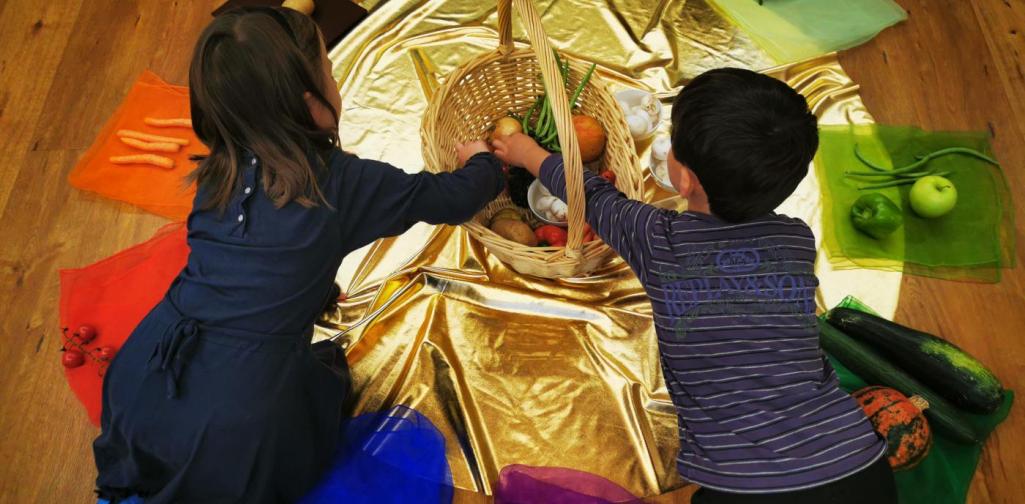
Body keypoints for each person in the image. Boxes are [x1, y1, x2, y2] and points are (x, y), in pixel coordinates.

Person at [92, 7, 500, 503]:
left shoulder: (217, 169)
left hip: (145, 374)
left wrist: (314, 285)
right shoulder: (341, 183)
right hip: (240, 417)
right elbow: (452, 198)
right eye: (330, 69)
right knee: (286, 431)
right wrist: (484, 159)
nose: (335, 76)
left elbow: (262, 257)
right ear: (313, 106)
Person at [493, 68, 897, 503]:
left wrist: (526, 152)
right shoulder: (797, 238)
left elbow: (590, 193)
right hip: (858, 463)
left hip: (743, 487)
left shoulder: (660, 240)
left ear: (683, 180)